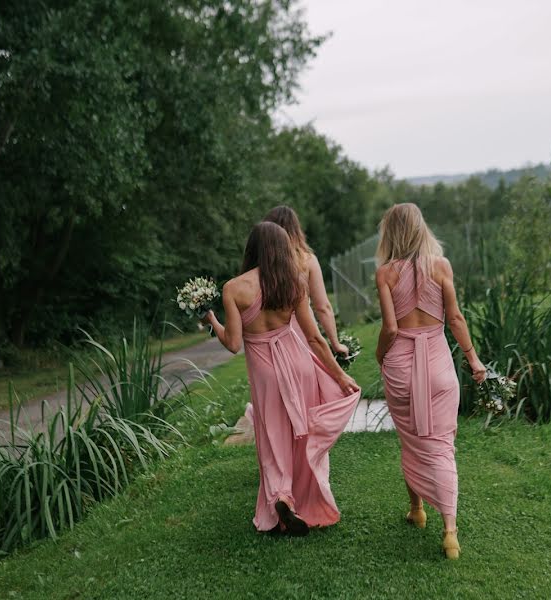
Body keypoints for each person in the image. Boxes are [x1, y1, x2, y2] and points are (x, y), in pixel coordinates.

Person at [204, 222, 360, 535]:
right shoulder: (293, 283)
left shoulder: (235, 288)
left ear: (252, 248)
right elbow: (315, 338)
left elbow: (233, 343)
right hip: (298, 363)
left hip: (266, 374)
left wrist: (210, 320)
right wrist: (340, 375)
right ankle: (305, 499)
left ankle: (282, 497)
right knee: (300, 434)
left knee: (272, 436)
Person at [374, 203, 487, 559]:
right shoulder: (441, 266)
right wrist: (474, 360)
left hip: (401, 367)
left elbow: (390, 328)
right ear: (422, 228)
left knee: (411, 441)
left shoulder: (385, 273)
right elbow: (454, 317)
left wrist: (380, 356)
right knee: (441, 444)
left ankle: (418, 511)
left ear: (390, 233)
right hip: (439, 367)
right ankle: (450, 531)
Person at [262, 206, 349, 356]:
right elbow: (322, 307)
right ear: (296, 229)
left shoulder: (260, 265)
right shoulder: (306, 260)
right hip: (304, 332)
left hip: (269, 339)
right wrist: (335, 343)